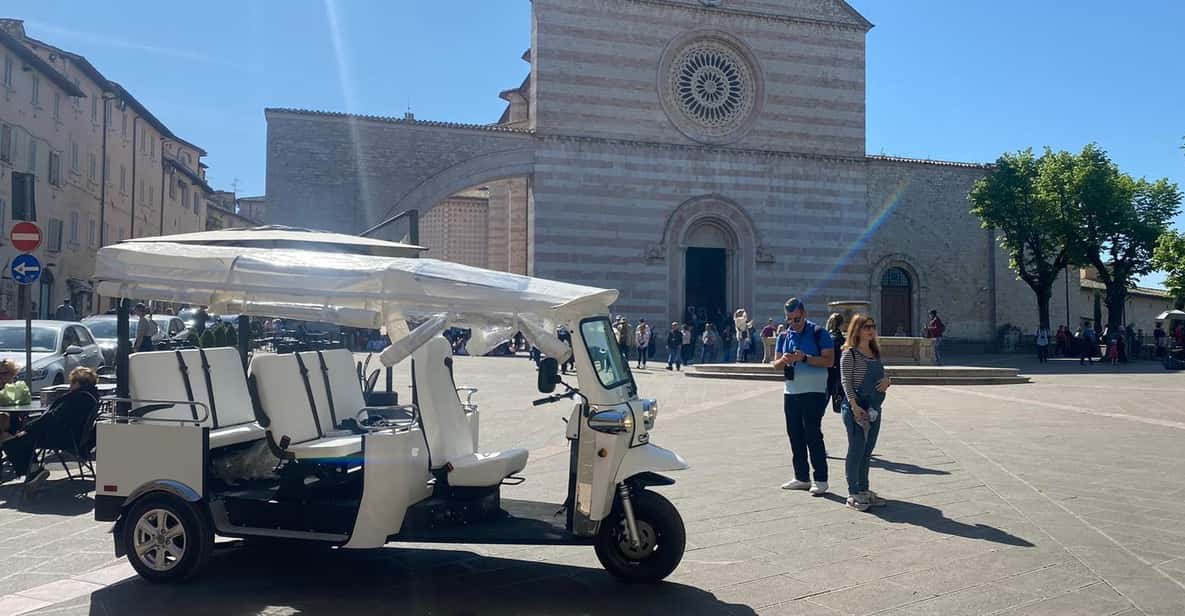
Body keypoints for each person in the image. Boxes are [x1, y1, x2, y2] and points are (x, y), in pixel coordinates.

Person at [2, 367, 100, 492]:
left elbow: (52, 417)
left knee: (14, 441)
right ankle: (33, 469)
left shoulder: (77, 398)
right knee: (22, 437)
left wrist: (28, 428)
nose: (70, 386)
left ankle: (34, 471)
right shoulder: (91, 397)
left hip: (62, 437)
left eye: (71, 383)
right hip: (75, 438)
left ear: (77, 383)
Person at [773, 297, 834, 496]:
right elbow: (774, 364)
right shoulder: (784, 336)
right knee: (795, 435)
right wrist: (784, 359)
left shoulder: (819, 333)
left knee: (813, 434)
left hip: (814, 391)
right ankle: (801, 477)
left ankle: (821, 479)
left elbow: (829, 360)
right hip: (791, 391)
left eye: (796, 319)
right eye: (789, 320)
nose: (793, 323)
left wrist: (805, 358)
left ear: (804, 314)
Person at [839, 314, 890, 512]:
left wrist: (888, 381)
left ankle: (864, 489)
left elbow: (883, 376)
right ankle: (853, 493)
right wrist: (854, 406)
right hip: (856, 408)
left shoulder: (874, 352)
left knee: (867, 450)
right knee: (856, 448)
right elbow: (846, 382)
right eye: (866, 326)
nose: (871, 330)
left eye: (873, 326)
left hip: (875, 408)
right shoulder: (849, 354)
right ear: (857, 330)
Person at [825, 313, 846, 414]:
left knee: (819, 408)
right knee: (842, 407)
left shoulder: (826, 337)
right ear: (841, 324)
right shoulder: (842, 340)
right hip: (838, 376)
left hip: (825, 375)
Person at [0, 360, 19, 442]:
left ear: (12, 374)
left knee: (4, 416)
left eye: (4, 373)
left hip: (12, 422)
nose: (1, 376)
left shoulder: (18, 388)